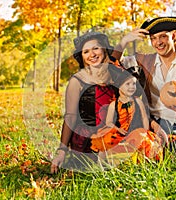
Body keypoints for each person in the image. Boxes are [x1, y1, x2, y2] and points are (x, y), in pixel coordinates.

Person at [112, 16, 176, 156]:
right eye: (153, 38)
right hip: (151, 122)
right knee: (137, 146)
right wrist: (125, 40)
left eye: (163, 36)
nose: (158, 42)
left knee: (174, 148)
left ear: (173, 36)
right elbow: (114, 62)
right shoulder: (145, 61)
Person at [50, 31, 122, 173]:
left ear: (104, 50)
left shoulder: (116, 75)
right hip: (87, 140)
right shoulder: (77, 81)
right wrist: (62, 150)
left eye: (96, 48)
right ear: (82, 57)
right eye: (86, 51)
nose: (92, 54)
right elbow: (70, 116)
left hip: (113, 133)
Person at [90, 67, 163, 163]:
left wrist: (145, 130)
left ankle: (143, 162)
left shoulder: (137, 101)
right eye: (128, 84)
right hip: (120, 132)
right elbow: (109, 122)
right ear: (119, 86)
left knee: (142, 138)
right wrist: (118, 129)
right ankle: (102, 166)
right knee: (105, 138)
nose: (132, 87)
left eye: (134, 84)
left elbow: (144, 117)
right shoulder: (114, 104)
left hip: (135, 131)